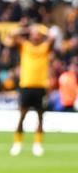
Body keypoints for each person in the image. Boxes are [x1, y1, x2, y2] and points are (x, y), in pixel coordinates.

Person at [12, 23, 55, 156]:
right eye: (34, 33)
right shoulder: (25, 46)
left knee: (40, 116)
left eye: (37, 34)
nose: (35, 35)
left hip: (41, 86)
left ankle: (38, 144)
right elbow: (13, 34)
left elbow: (53, 36)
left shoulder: (45, 47)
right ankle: (18, 143)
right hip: (26, 85)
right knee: (22, 115)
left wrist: (41, 29)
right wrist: (28, 29)